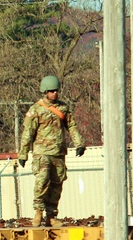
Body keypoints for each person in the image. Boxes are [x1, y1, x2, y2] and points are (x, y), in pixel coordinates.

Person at [17, 75, 86, 227]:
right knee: (42, 181)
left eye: (56, 91)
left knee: (57, 184)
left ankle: (51, 215)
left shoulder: (63, 108)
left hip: (59, 153)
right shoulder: (36, 110)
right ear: (45, 91)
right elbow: (28, 132)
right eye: (52, 91)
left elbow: (71, 126)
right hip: (42, 153)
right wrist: (23, 154)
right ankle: (38, 213)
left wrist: (79, 143)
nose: (55, 93)